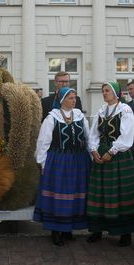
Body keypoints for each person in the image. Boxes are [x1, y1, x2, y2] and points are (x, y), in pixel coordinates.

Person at [34, 87, 91, 246]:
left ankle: (68, 229)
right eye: (70, 98)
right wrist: (42, 163)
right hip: (58, 161)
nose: (74, 100)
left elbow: (88, 138)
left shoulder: (80, 116)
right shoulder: (51, 118)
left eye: (74, 98)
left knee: (73, 195)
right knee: (58, 195)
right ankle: (55, 230)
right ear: (61, 100)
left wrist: (90, 157)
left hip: (78, 160)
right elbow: (43, 143)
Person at [86, 82, 134, 246]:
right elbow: (94, 134)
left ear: (116, 93)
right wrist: (94, 150)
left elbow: (126, 137)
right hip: (101, 155)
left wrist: (111, 151)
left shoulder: (125, 110)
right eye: (103, 91)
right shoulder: (101, 111)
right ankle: (97, 229)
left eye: (107, 91)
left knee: (121, 193)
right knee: (100, 192)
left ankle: (125, 233)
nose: (104, 93)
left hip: (120, 156)